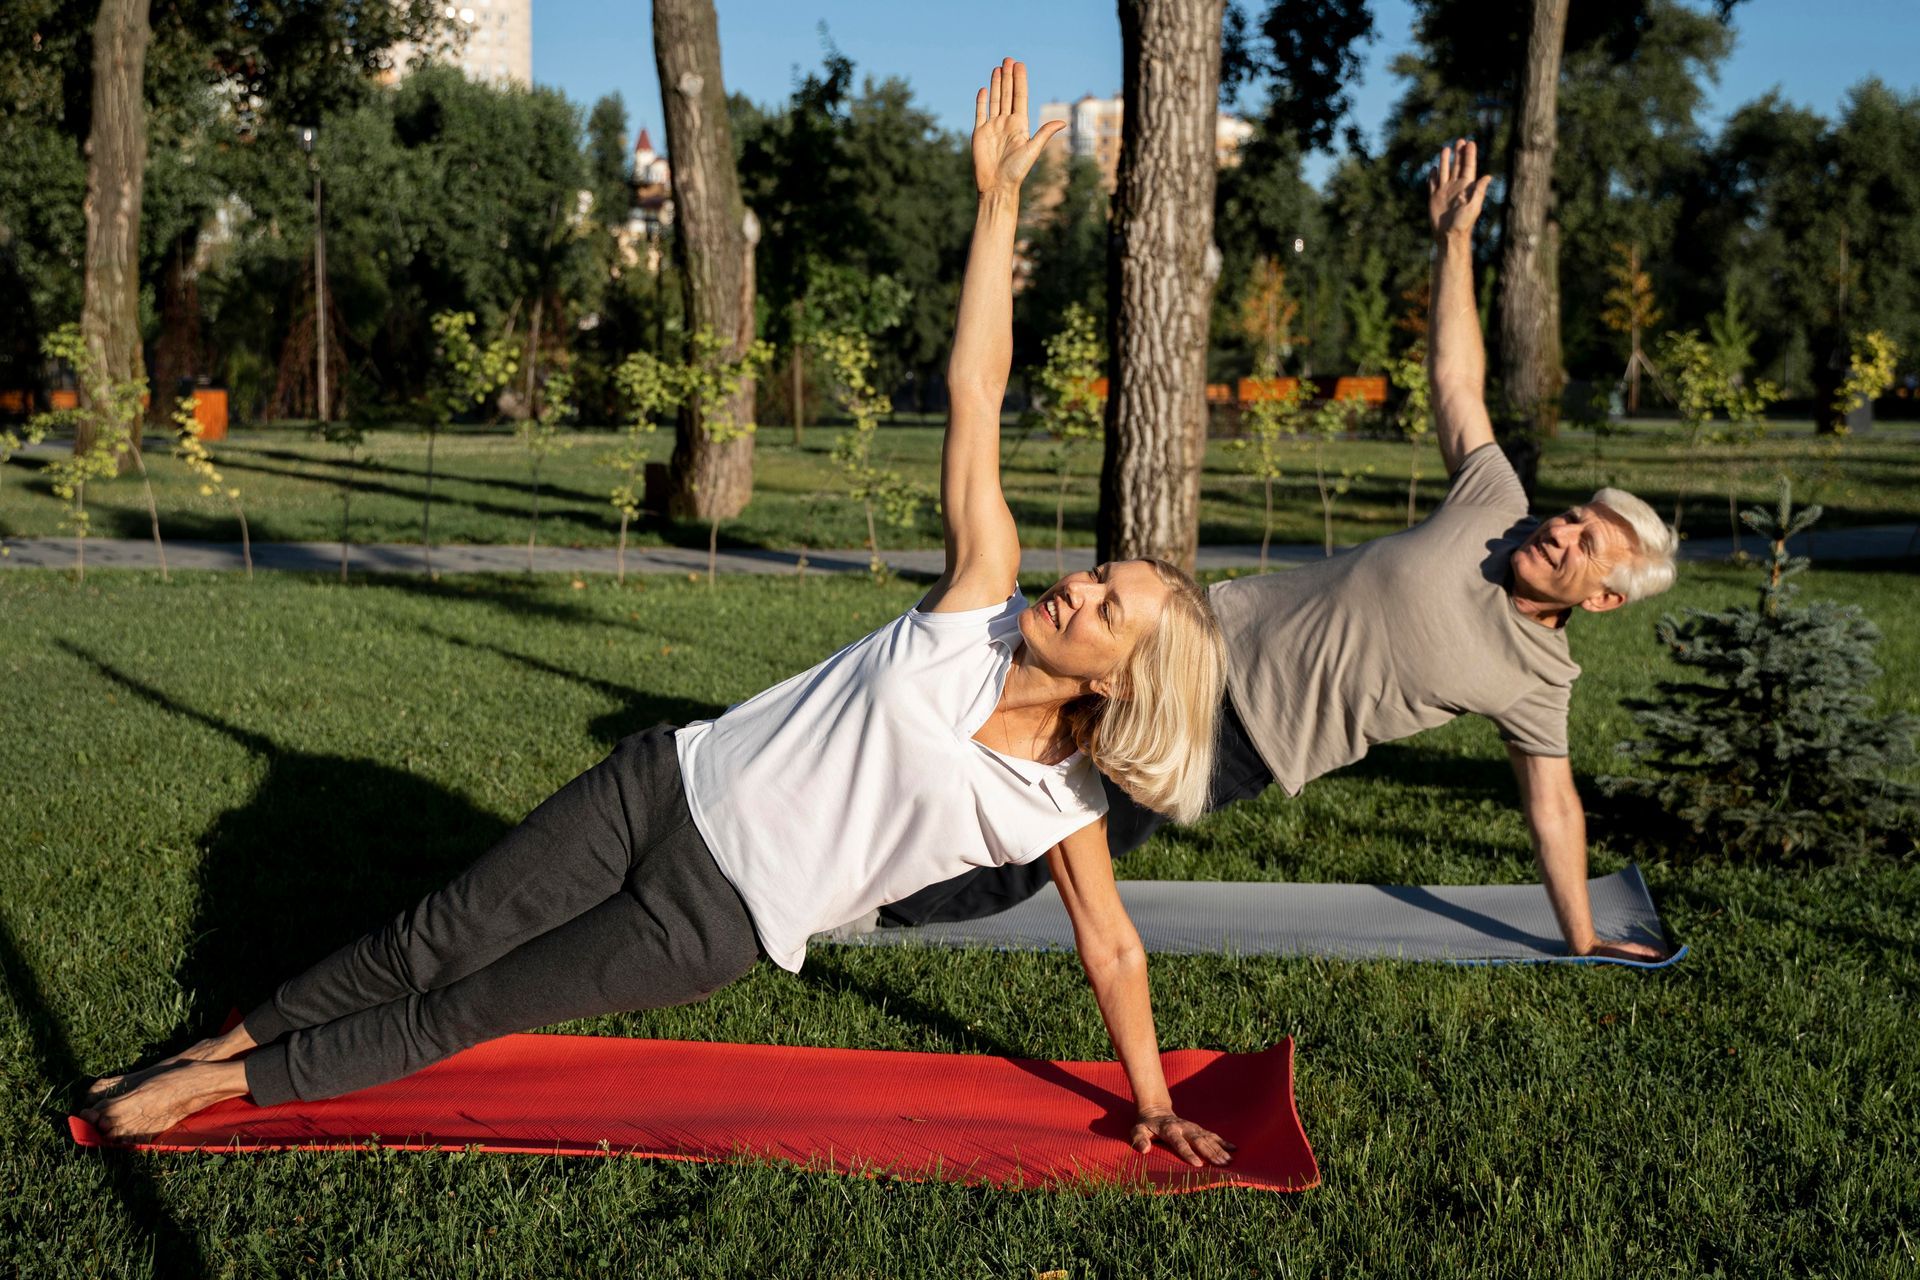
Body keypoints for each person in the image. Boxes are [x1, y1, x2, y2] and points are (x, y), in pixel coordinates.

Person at [78, 59, 1236, 1168]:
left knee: (468, 1004)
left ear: (1121, 676)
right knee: (431, 936)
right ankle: (219, 1040)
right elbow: (975, 388)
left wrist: (1153, 1100)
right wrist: (997, 205)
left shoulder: (1056, 800)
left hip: (711, 923)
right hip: (658, 782)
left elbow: (1113, 946)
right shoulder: (979, 596)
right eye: (1098, 571)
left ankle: (224, 1088)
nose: (1078, 585)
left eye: (1106, 603)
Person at [885, 139, 1679, 963]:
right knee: (996, 720)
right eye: (1576, 515)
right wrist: (1451, 244)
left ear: (1603, 599)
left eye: (1587, 544)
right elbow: (1455, 384)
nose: (1561, 530)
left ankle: (888, 906)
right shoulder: (1496, 504)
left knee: (1063, 832)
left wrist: (1582, 935)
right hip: (1188, 636)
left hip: (1243, 740)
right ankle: (856, 814)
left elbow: (1552, 806)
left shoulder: (1541, 682)